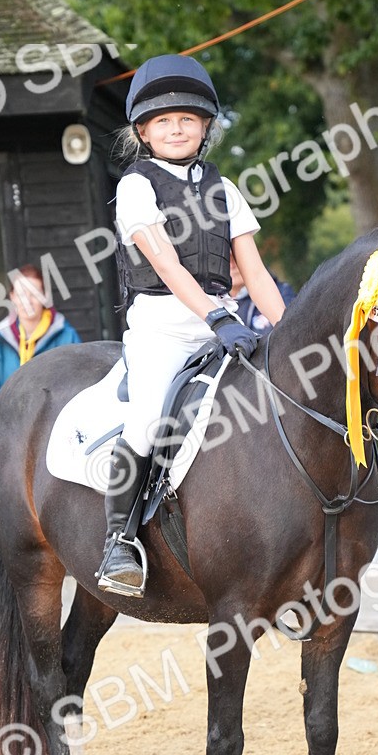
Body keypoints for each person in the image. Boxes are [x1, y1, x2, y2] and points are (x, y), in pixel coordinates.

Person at [98, 53, 287, 595]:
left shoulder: (225, 190)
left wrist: (296, 336)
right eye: (163, 121)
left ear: (205, 127)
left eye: (187, 119)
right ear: (143, 131)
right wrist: (213, 316)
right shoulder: (136, 186)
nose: (176, 128)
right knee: (148, 421)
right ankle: (120, 541)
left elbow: (256, 272)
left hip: (223, 322)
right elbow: (166, 263)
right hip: (162, 326)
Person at [0, 264, 81, 406]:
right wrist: (12, 399)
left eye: (34, 294)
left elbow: (79, 391)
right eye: (21, 294)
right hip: (7, 427)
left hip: (54, 427)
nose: (27, 301)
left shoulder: (67, 338)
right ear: (12, 297)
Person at [229, 253, 295, 335]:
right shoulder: (216, 306)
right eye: (226, 260)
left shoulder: (280, 293)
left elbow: (288, 332)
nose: (232, 266)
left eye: (235, 259)